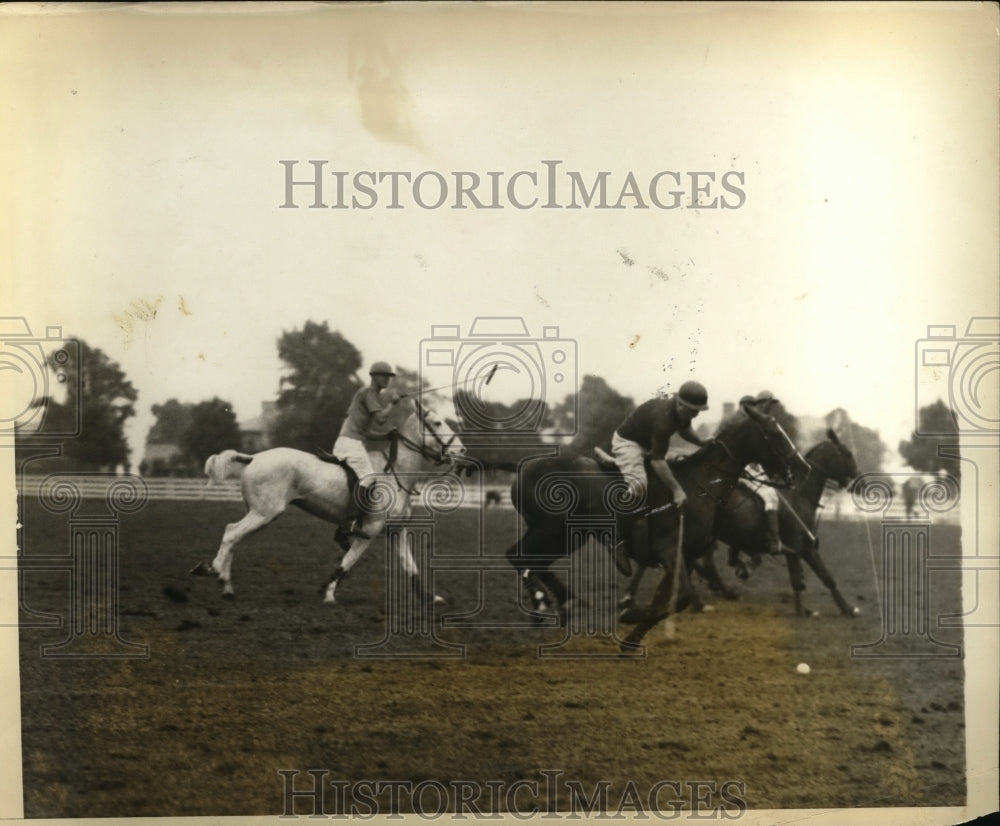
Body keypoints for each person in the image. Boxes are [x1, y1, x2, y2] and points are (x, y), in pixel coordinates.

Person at [610, 380, 711, 570]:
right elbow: (657, 461)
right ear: (680, 404)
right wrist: (677, 490)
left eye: (698, 411)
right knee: (639, 485)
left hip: (647, 443)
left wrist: (700, 442)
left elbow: (685, 428)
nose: (695, 415)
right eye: (692, 411)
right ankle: (616, 538)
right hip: (628, 442)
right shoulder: (663, 419)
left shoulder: (681, 410)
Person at [333, 362, 402, 543]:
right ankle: (350, 522)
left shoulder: (369, 396)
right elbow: (380, 419)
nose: (387, 379)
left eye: (389, 376)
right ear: (374, 376)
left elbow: (367, 433)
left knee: (366, 476)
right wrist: (392, 404)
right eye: (384, 376)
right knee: (369, 477)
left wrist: (386, 435)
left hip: (351, 441)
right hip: (350, 443)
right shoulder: (368, 393)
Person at [740, 390, 784, 555]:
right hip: (744, 467)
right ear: (762, 403)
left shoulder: (760, 422)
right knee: (770, 495)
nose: (770, 407)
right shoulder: (752, 422)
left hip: (753, 466)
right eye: (769, 404)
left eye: (772, 404)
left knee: (773, 491)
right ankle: (773, 540)